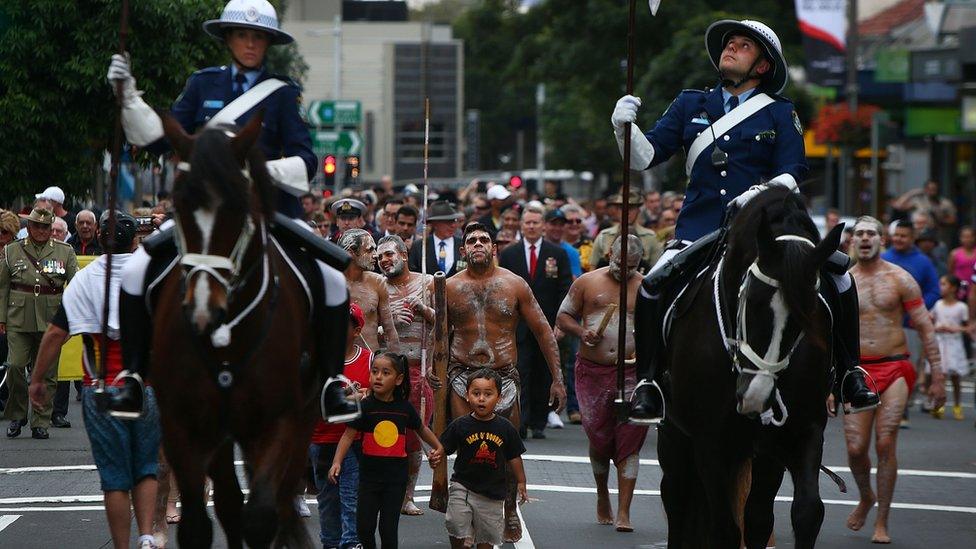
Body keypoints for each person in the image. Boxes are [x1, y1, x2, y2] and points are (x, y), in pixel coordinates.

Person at [612, 18, 876, 421]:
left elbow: (795, 168)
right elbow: (645, 157)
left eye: (743, 46)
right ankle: (648, 382)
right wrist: (622, 128)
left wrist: (763, 192)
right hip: (700, 229)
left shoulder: (779, 112)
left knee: (841, 277)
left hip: (764, 228)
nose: (730, 49)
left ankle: (849, 372)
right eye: (728, 44)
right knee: (651, 287)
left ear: (762, 66)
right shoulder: (691, 104)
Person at [105, 0, 354, 422]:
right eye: (242, 35)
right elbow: (161, 138)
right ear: (228, 39)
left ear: (268, 43)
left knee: (332, 279)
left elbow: (305, 161)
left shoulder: (282, 92)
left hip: (267, 209)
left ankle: (332, 382)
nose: (251, 44)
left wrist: (249, 172)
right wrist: (128, 97)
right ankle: (131, 375)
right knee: (134, 272)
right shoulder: (202, 84)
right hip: (206, 212)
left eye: (259, 37)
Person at [27, 211, 161, 549]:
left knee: (115, 476)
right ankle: (146, 535)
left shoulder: (87, 280)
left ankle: (123, 546)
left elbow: (57, 333)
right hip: (145, 386)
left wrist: (37, 379)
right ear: (135, 240)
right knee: (146, 466)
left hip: (101, 388)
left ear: (100, 238)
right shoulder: (151, 278)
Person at [446, 222, 566, 542]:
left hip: (504, 375)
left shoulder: (514, 285)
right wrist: (434, 374)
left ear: (494, 248)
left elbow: (543, 330)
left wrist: (558, 378)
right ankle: (469, 507)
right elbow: (438, 337)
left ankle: (510, 505)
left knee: (507, 446)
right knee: (468, 445)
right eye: (471, 241)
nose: (478, 245)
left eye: (484, 240)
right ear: (463, 250)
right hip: (462, 374)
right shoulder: (450, 287)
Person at [843, 216, 945, 545]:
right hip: (857, 372)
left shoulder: (900, 279)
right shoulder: (842, 281)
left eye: (872, 233)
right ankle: (865, 496)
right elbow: (829, 334)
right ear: (851, 241)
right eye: (859, 233)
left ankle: (882, 520)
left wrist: (938, 375)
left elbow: (925, 327)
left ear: (881, 240)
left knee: (885, 442)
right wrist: (828, 384)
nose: (866, 238)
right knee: (856, 448)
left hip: (895, 366)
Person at [556, 235, 647, 532]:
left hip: (633, 373)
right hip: (593, 371)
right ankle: (601, 493)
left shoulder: (646, 286)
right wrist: (582, 333)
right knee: (599, 437)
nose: (625, 271)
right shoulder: (587, 282)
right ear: (610, 254)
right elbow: (563, 316)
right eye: (620, 263)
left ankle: (625, 511)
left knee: (630, 440)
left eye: (632, 266)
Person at [329, 352, 445, 549]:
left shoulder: (404, 408)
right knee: (364, 528)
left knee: (388, 529)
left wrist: (438, 446)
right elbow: (348, 435)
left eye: (385, 373)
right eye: (374, 372)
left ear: (398, 379)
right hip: (368, 479)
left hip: (395, 480)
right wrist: (337, 461)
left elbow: (422, 429)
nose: (378, 377)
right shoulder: (364, 406)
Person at [1, 208, 79, 439]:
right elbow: (3, 287)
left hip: (51, 319)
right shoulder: (12, 251)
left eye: (46, 227)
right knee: (14, 366)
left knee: (46, 373)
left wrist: (71, 320)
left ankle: (40, 421)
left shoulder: (65, 252)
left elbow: (75, 287)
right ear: (30, 227)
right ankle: (17, 414)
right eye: (37, 226)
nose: (42, 231)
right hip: (18, 318)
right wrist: (1, 318)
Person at [498, 207, 572, 439]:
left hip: (546, 324)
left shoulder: (557, 254)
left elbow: (564, 290)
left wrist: (560, 322)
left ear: (543, 226)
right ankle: (520, 421)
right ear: (521, 225)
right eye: (527, 222)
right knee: (520, 373)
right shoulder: (510, 253)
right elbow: (503, 288)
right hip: (517, 326)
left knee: (543, 373)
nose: (531, 226)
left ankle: (539, 422)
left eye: (535, 222)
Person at [376, 235, 435, 516]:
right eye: (380, 257)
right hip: (385, 371)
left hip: (419, 370)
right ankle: (383, 491)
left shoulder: (427, 283)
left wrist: (425, 309)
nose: (385, 260)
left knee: (412, 437)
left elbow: (446, 321)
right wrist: (387, 322)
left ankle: (407, 496)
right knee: (383, 434)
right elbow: (364, 328)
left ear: (403, 253)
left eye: (389, 254)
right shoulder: (377, 287)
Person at [440, 368, 527, 549]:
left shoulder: (506, 428)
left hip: (492, 493)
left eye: (488, 394)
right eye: (476, 393)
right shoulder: (460, 425)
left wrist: (521, 482)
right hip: (462, 485)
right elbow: (444, 448)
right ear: (467, 395)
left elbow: (514, 456)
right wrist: (436, 454)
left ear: (499, 397)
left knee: (487, 538)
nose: (481, 398)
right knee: (456, 523)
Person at [310, 303, 372, 549]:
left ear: (356, 330)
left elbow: (377, 394)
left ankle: (351, 543)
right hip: (322, 440)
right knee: (326, 500)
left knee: (351, 499)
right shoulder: (317, 361)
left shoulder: (369, 361)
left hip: (356, 443)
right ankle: (330, 543)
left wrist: (360, 397)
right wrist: (353, 397)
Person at [339, 229, 400, 353]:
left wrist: (397, 365)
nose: (376, 254)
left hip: (370, 363)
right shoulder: (332, 283)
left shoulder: (377, 282)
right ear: (351, 253)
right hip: (339, 362)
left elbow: (390, 331)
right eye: (369, 249)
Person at [928, 275, 968, 420]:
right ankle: (939, 405)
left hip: (954, 343)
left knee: (956, 377)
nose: (941, 287)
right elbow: (930, 320)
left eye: (944, 284)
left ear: (953, 288)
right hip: (941, 342)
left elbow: (968, 327)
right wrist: (936, 327)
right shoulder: (938, 304)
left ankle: (958, 405)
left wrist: (954, 329)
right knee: (941, 375)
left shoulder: (961, 307)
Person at [589, 191, 661, 268]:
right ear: (616, 211)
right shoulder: (604, 236)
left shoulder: (650, 237)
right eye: (622, 208)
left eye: (631, 208)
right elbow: (593, 269)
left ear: (638, 211)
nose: (627, 212)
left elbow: (655, 270)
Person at [409, 201, 465, 277]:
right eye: (447, 222)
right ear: (435, 224)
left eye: (454, 221)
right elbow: (412, 274)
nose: (453, 225)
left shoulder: (462, 244)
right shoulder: (419, 246)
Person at [562, 204, 594, 275]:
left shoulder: (591, 243)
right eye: (570, 221)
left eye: (578, 221)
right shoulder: (555, 244)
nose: (574, 224)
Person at [948, 226, 976, 299]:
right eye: (965, 237)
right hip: (960, 289)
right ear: (960, 238)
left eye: (970, 236)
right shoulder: (954, 253)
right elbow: (950, 272)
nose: (968, 239)